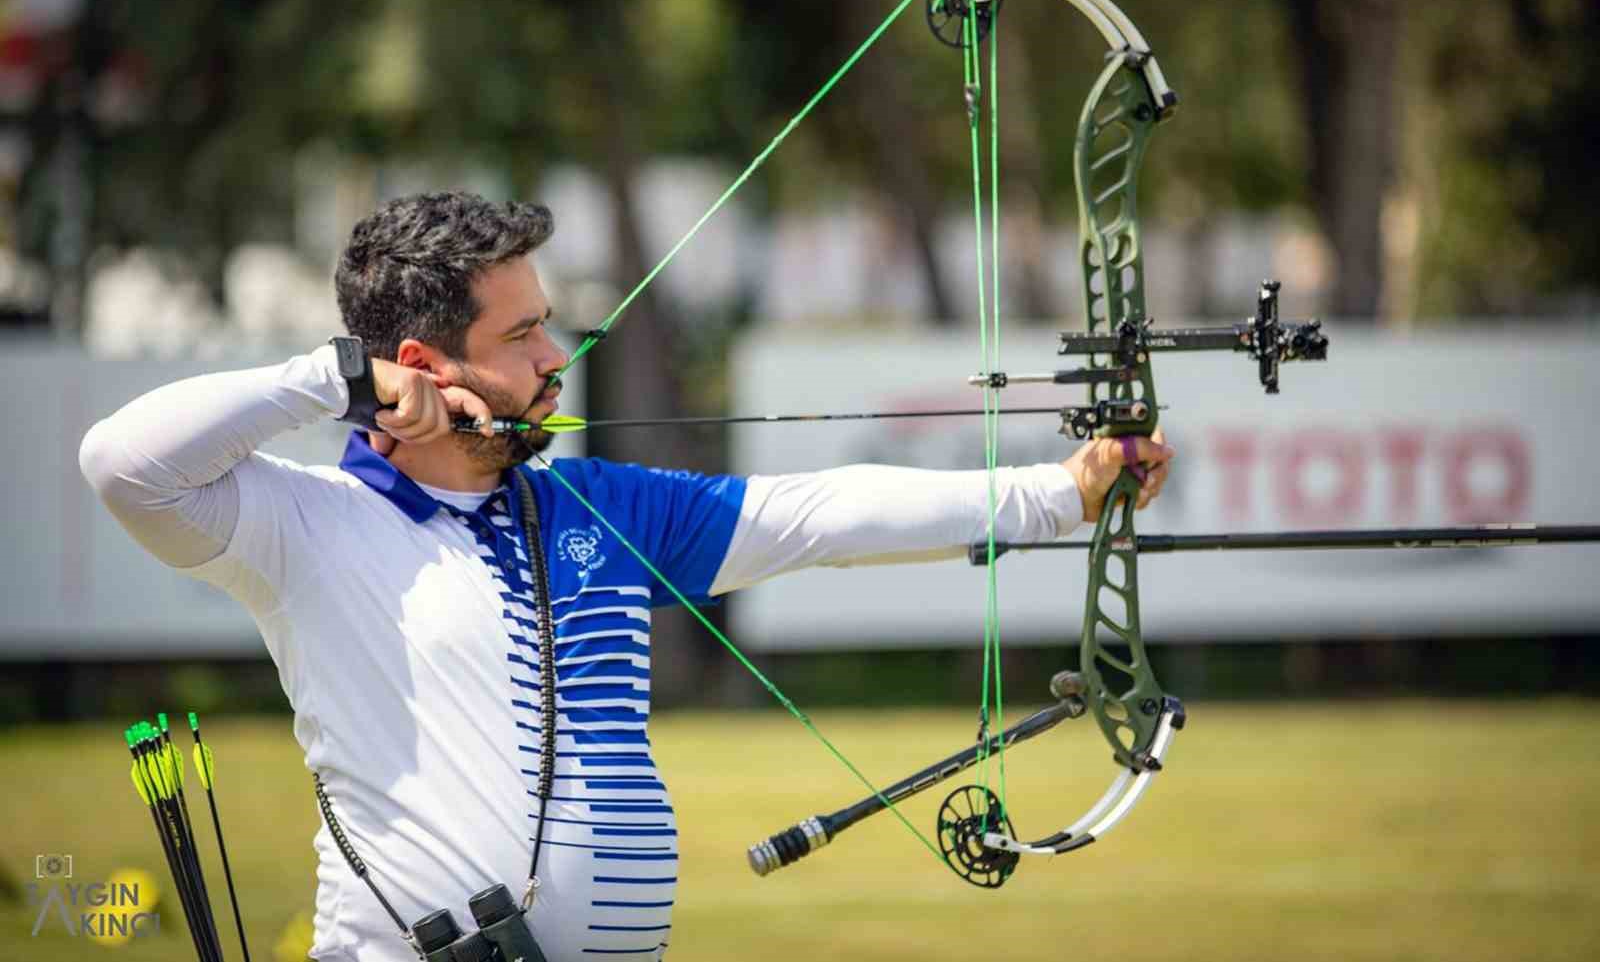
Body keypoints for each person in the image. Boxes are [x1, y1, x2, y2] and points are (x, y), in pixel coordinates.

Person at [79, 191, 1172, 961]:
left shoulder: (595, 504)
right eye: (524, 336)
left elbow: (820, 515)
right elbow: (123, 465)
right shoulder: (306, 524)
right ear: (420, 368)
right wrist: (331, 378)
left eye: (550, 325)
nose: (556, 358)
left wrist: (1061, 490)